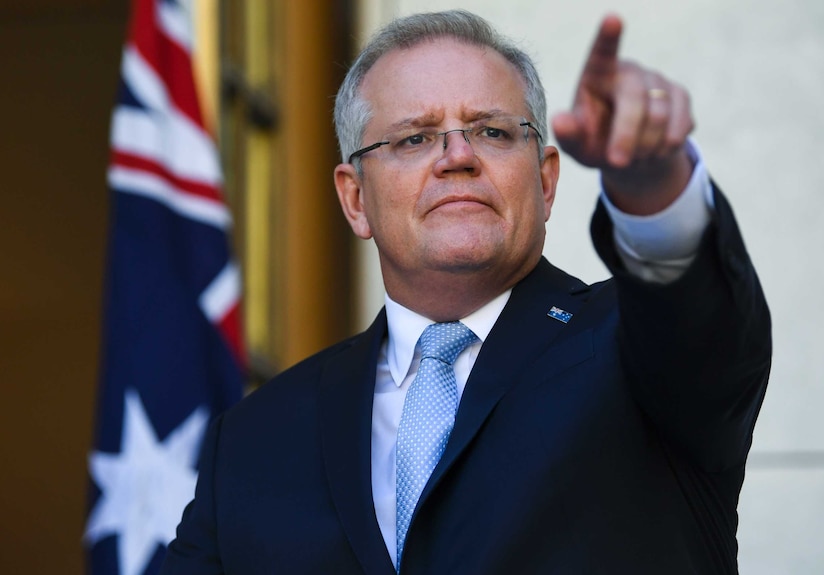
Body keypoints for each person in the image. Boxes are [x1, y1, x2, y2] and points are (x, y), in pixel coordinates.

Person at [161, 9, 771, 575]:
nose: (458, 156)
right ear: (355, 199)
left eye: (493, 132)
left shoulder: (637, 349)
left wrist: (653, 185)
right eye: (414, 138)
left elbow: (698, 311)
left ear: (546, 178)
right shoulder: (253, 439)